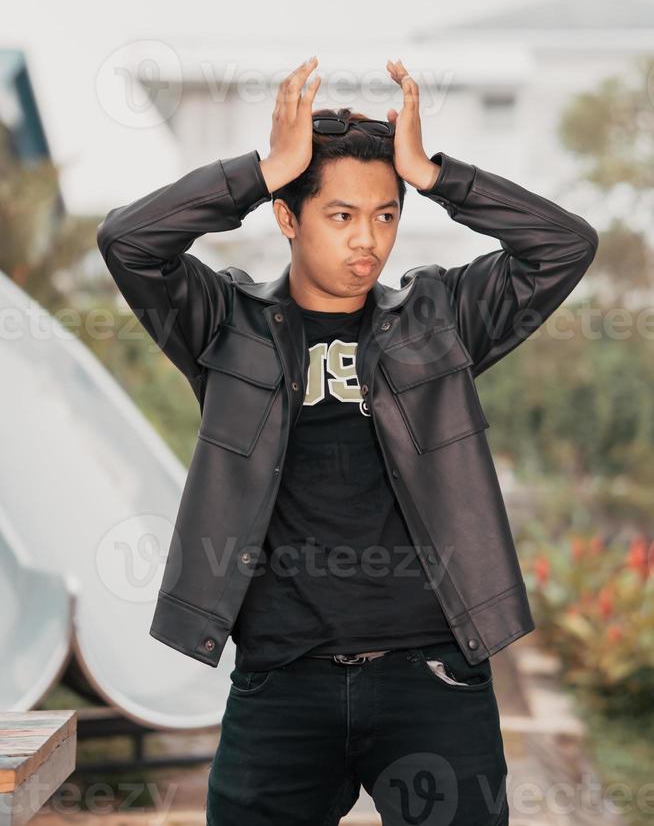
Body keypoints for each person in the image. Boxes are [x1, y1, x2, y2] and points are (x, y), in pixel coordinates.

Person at [97, 56, 598, 825]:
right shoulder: (224, 325)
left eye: (386, 215)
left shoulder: (442, 321)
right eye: (340, 215)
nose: (368, 240)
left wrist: (437, 176)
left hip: (432, 677)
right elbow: (129, 241)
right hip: (281, 683)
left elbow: (563, 245)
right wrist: (263, 170)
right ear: (288, 217)